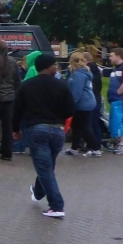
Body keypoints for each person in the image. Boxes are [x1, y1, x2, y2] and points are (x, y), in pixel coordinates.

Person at [12, 53, 75, 219]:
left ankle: (56, 205)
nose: (57, 67)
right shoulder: (61, 85)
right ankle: (38, 192)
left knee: (45, 167)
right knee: (47, 166)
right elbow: (70, 110)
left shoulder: (26, 85)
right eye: (55, 65)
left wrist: (16, 129)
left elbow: (16, 110)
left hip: (37, 130)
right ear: (48, 67)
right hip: (57, 130)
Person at [64, 52, 100, 157]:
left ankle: (95, 149)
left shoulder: (78, 75)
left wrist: (70, 105)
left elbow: (76, 92)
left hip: (83, 104)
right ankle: (74, 148)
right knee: (77, 126)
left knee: (85, 126)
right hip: (88, 102)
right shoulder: (83, 72)